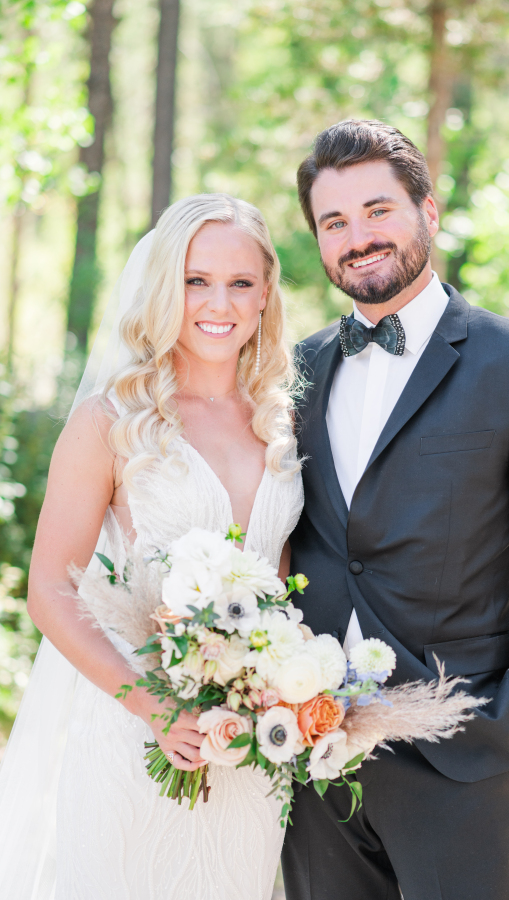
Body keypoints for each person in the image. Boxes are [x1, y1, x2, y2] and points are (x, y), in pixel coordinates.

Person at [282, 119, 509, 900]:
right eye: (334, 222)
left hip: (459, 747)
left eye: (376, 210)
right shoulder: (295, 372)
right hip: (310, 748)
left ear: (427, 210)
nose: (358, 237)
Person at [0, 194, 303, 900]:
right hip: (131, 731)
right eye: (197, 280)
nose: (217, 302)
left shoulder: (282, 423)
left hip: (246, 746)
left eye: (239, 282)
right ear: (166, 286)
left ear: (265, 296)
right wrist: (158, 710)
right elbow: (50, 589)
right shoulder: (110, 421)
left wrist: (278, 693)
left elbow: (282, 587)